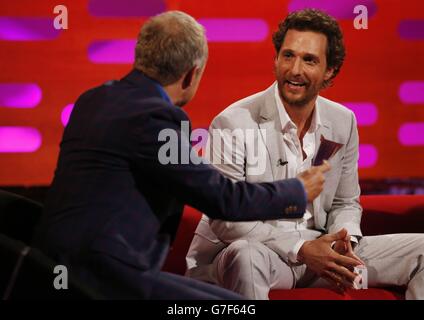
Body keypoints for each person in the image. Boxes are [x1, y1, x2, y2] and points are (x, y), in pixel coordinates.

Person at [33, 11, 332, 299]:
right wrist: (295, 190)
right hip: (102, 275)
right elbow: (221, 198)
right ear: (191, 74)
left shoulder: (92, 99)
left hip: (49, 264)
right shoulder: (159, 118)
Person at [186, 9, 424, 300]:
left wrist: (342, 239)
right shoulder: (233, 122)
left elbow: (345, 202)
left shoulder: (343, 121)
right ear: (276, 59)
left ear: (330, 71)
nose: (295, 69)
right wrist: (301, 249)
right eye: (288, 56)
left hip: (320, 252)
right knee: (247, 256)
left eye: (309, 60)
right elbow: (228, 221)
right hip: (256, 254)